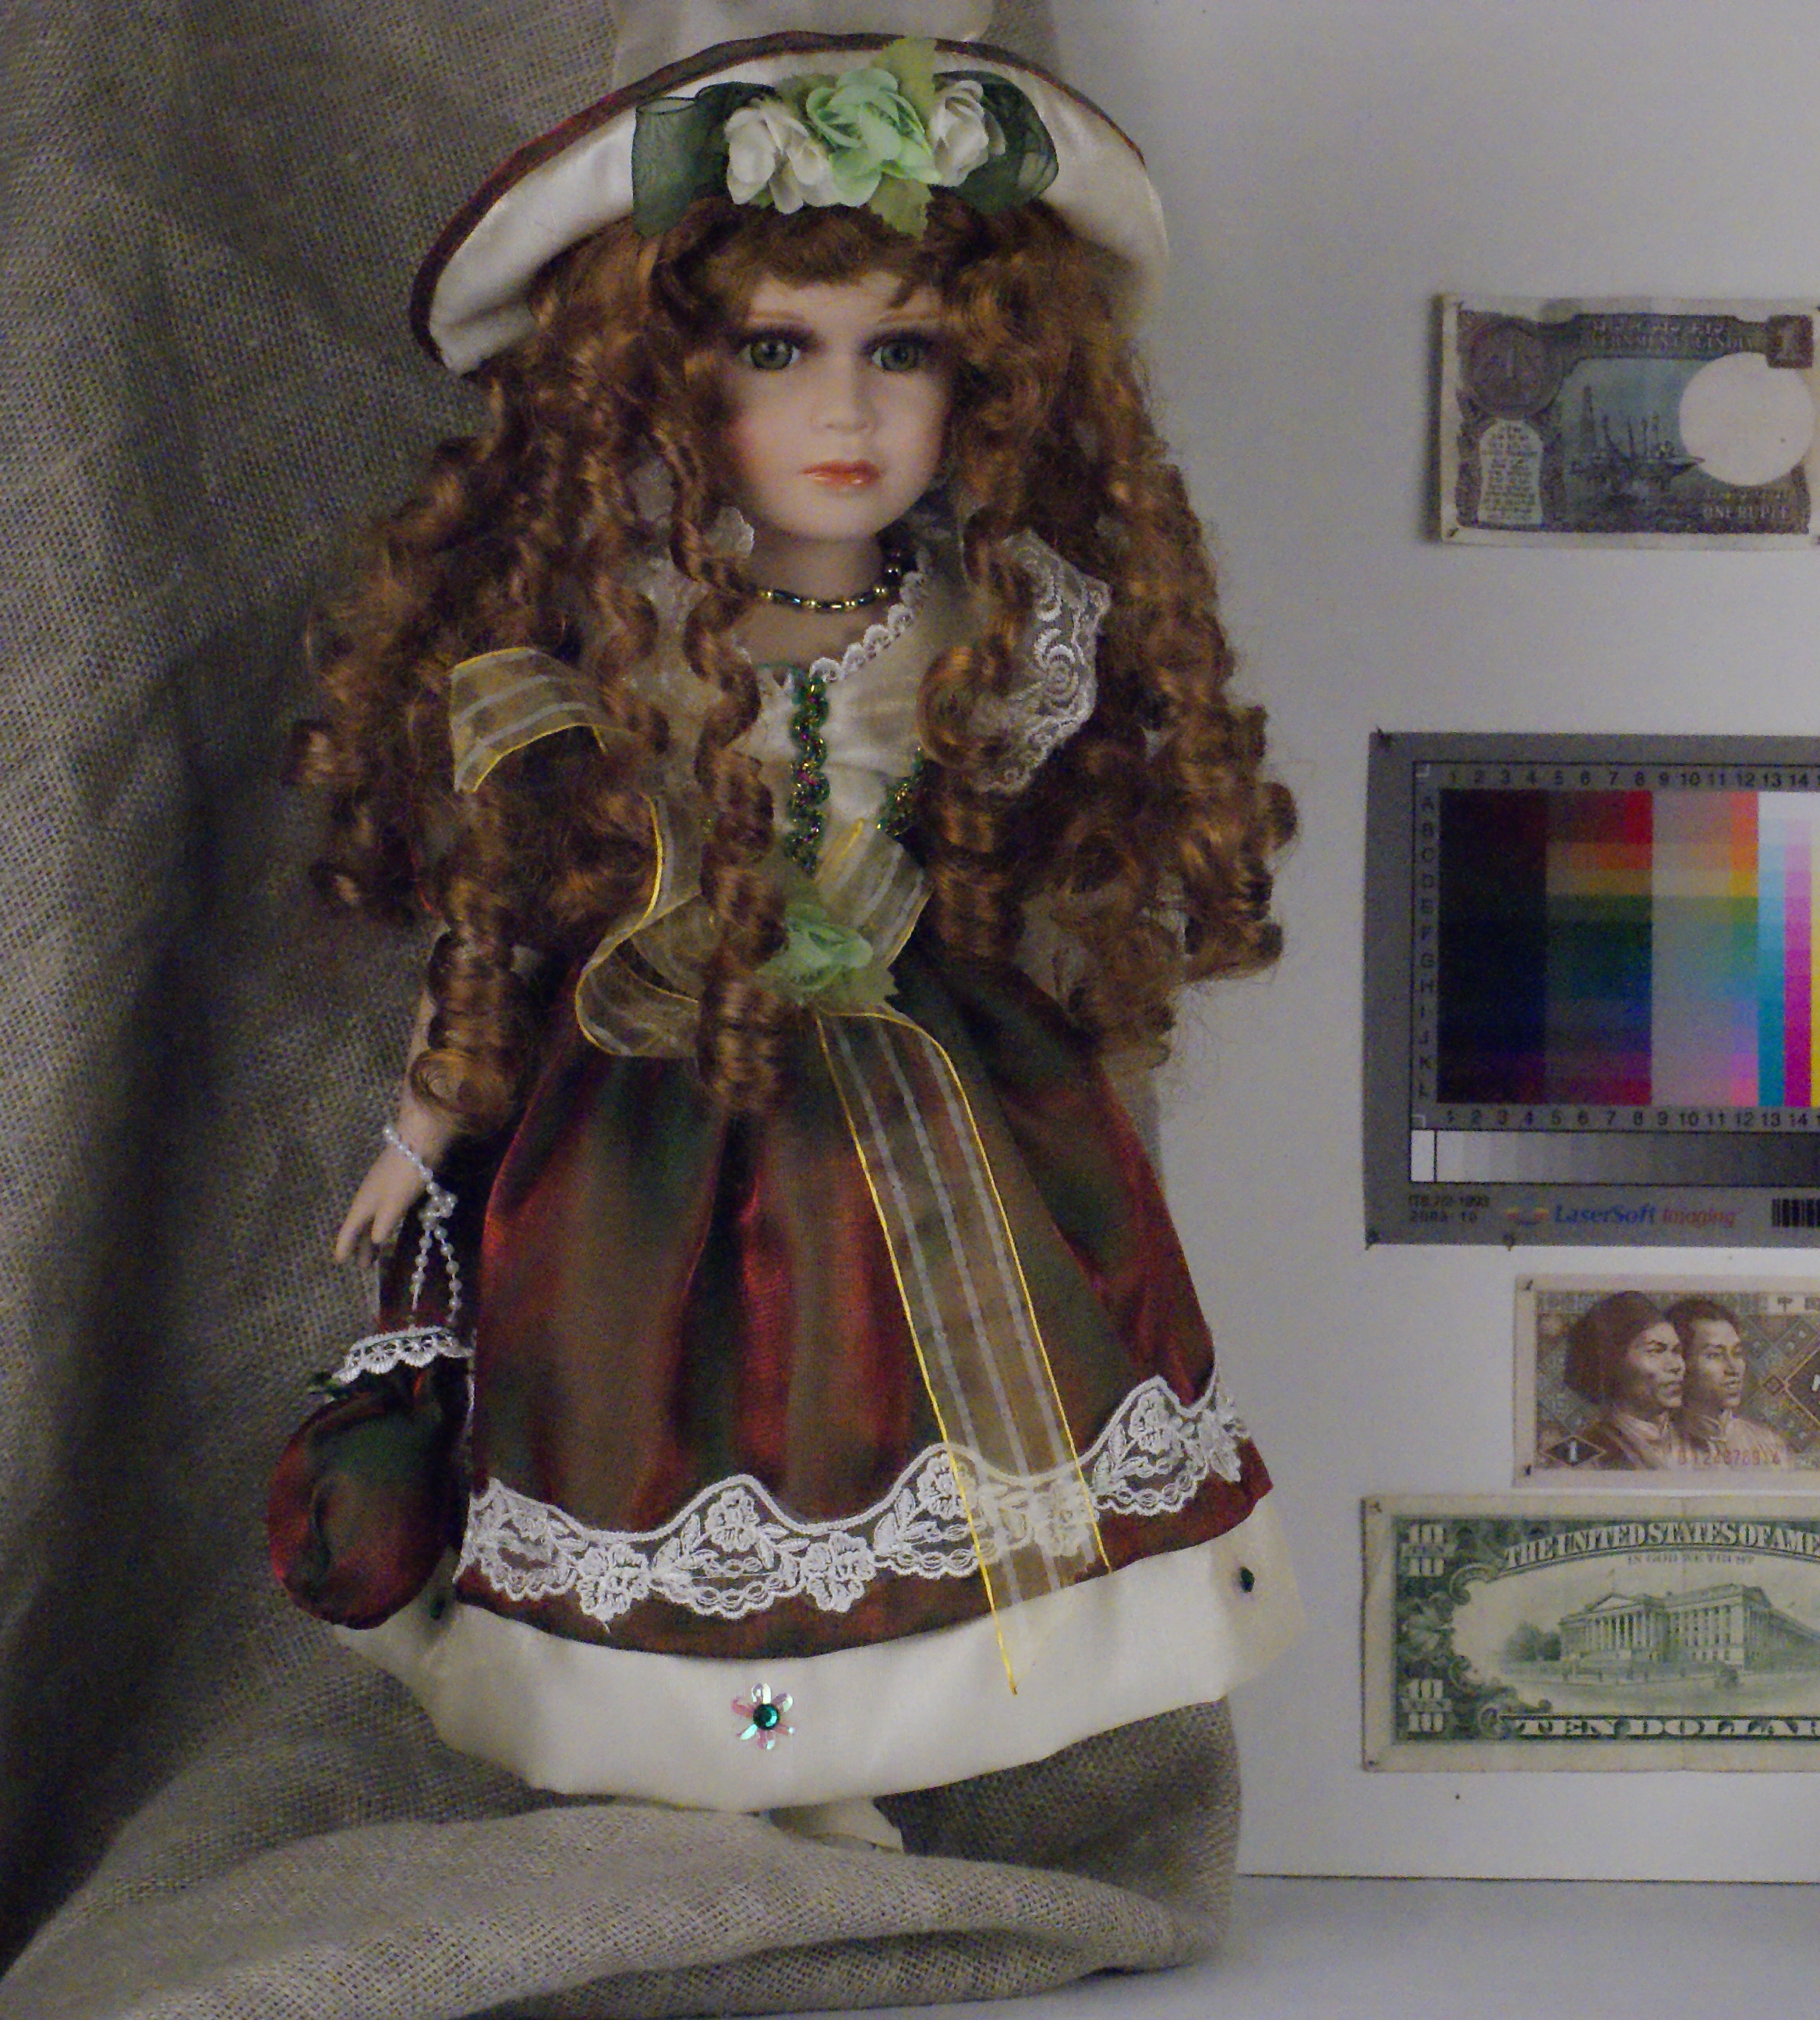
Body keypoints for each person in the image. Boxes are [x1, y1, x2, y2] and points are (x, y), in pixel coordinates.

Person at [263, 9, 1298, 1856]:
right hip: (653, 1099)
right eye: (776, 350)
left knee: (882, 1417)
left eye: (901, 352)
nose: (845, 414)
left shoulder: (989, 619)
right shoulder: (620, 634)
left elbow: (1013, 850)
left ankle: (836, 1747)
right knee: (662, 1407)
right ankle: (734, 1753)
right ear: (661, 382)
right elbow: (500, 909)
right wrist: (428, 1121)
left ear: (988, 379)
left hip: (929, 1077)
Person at [1539, 1290, 1690, 1470]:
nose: (1677, 1366)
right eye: (1656, 1351)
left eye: (1676, 1351)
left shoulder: (1701, 1444)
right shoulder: (1577, 1456)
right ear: (1614, 1362)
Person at [1664, 1296, 1793, 1467]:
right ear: (1681, 1363)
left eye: (1737, 1353)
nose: (1733, 1369)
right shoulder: (1658, 1447)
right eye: (1715, 1355)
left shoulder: (1768, 1446)